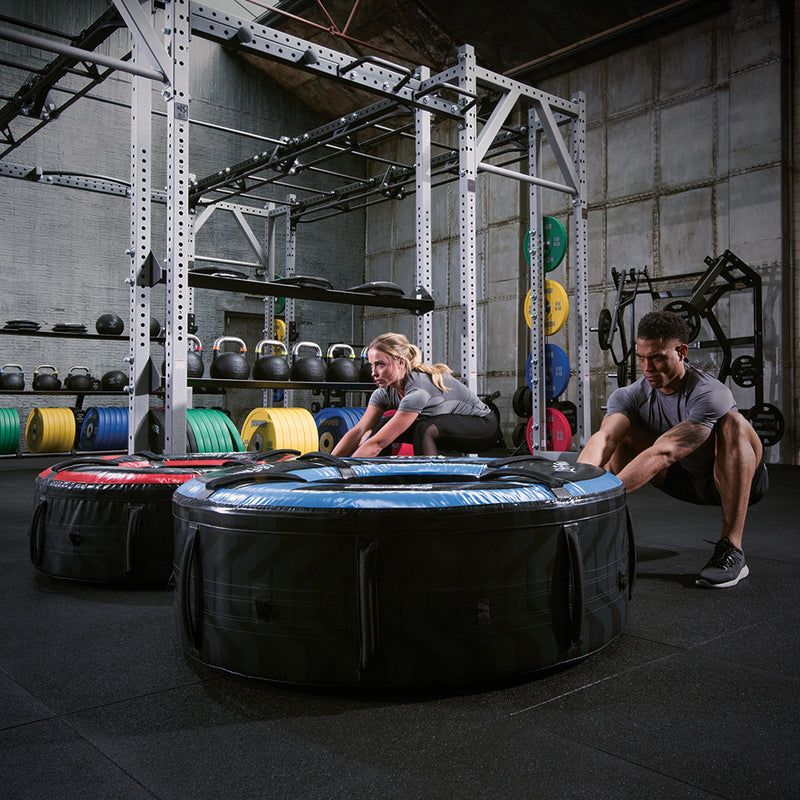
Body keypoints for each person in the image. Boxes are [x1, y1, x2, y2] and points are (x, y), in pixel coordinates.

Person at [577, 310, 768, 588]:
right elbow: (604, 439)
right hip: (682, 480)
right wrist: (576, 490)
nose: (647, 367)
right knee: (619, 434)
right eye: (641, 358)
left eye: (656, 357)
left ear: (681, 351)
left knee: (734, 424)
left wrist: (604, 496)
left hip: (734, 480)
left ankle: (732, 549)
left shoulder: (709, 392)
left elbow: (664, 451)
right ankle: (602, 535)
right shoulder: (629, 395)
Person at [331, 332, 499, 458]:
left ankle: (428, 490)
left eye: (381, 364)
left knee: (425, 429)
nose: (374, 373)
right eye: (372, 365)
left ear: (401, 362)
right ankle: (379, 483)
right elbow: (359, 432)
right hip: (445, 426)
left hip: (484, 429)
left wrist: (345, 473)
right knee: (382, 426)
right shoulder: (382, 394)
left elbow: (377, 444)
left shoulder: (417, 391)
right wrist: (329, 464)